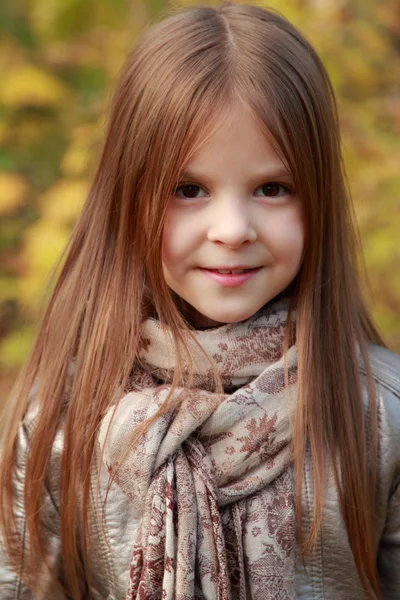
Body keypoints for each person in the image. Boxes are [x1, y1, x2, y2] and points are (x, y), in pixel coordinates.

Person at [0, 3, 399, 599]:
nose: (232, 228)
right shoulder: (62, 420)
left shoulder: (380, 414)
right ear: (126, 197)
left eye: (273, 188)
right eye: (188, 190)